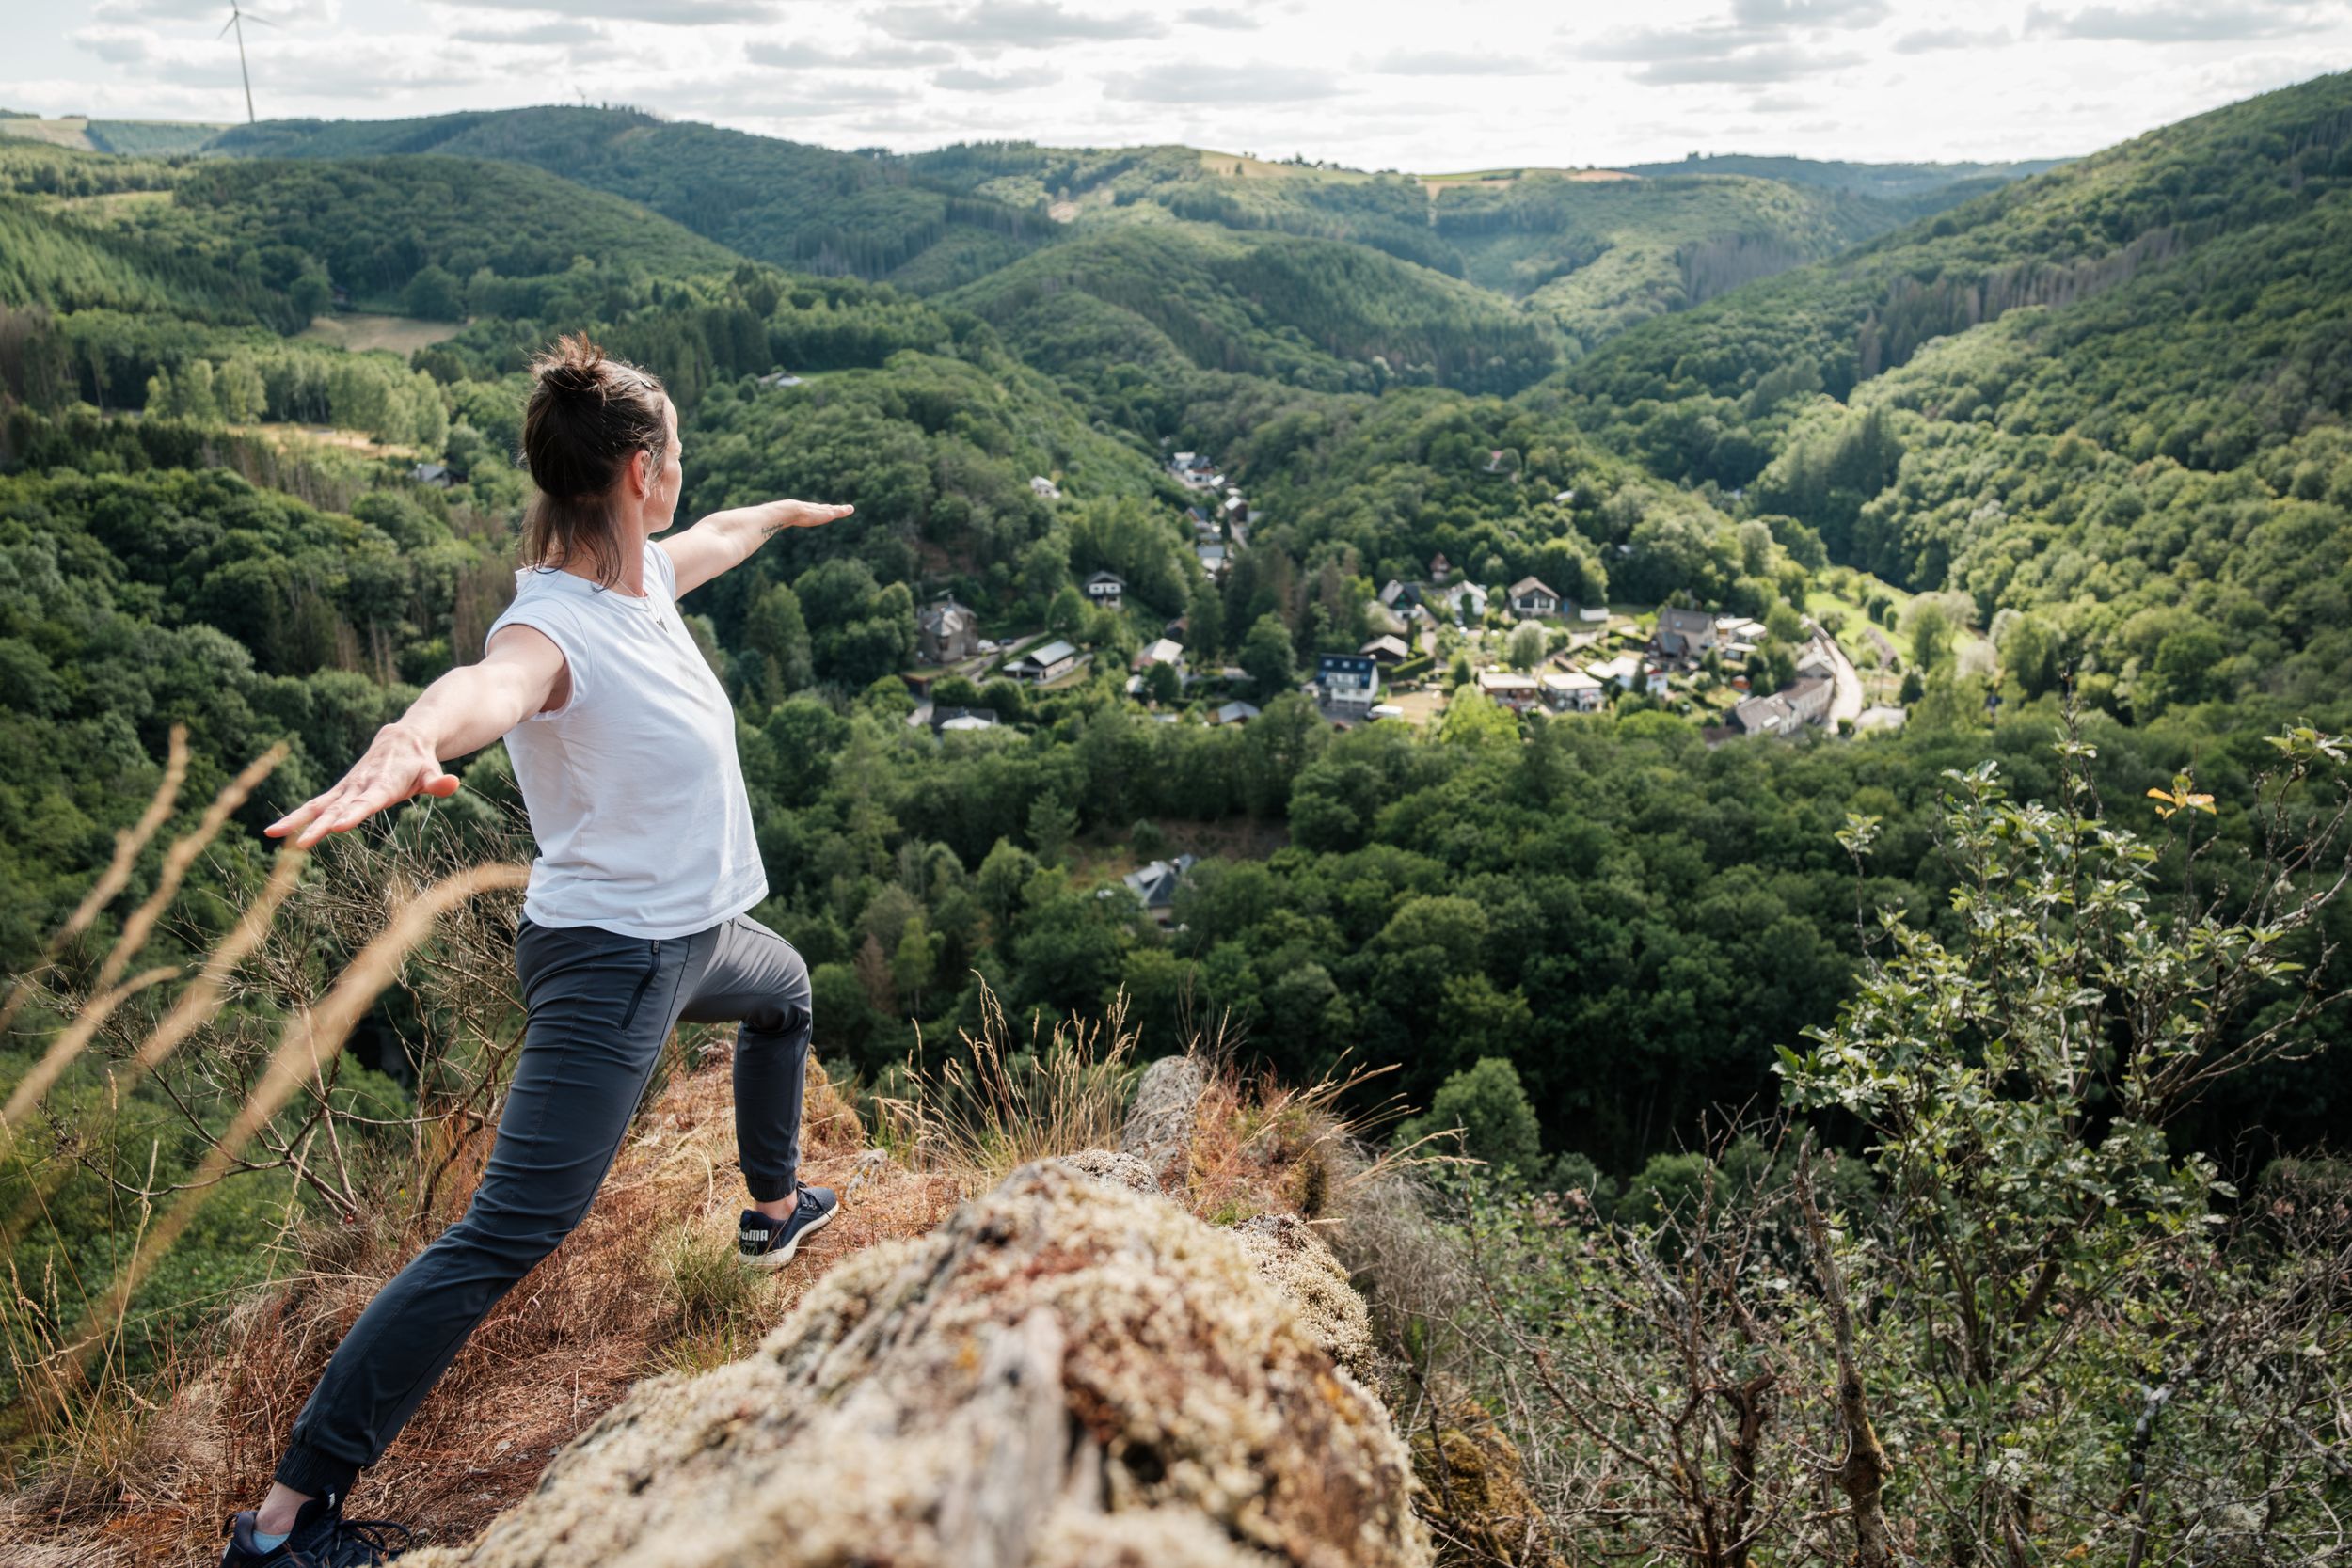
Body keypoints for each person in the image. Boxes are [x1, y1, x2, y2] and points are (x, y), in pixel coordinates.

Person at [222, 336, 852, 1567]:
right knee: (509, 1233)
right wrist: (413, 734)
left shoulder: (641, 582)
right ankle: (288, 1523)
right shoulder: (554, 625)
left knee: (784, 997)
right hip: (614, 963)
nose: (685, 478)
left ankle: (774, 1210)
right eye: (676, 459)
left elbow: (708, 542)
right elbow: (489, 684)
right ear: (636, 472)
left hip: (696, 940)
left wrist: (774, 516)